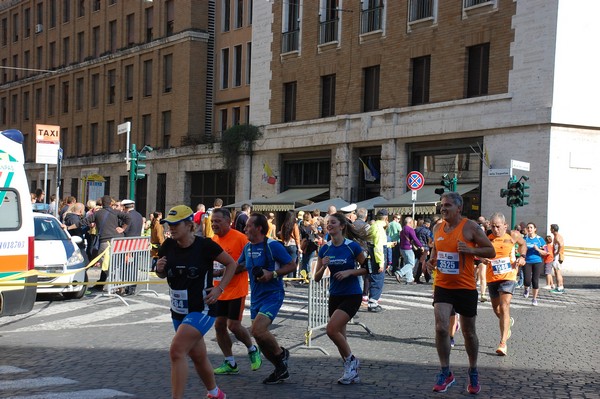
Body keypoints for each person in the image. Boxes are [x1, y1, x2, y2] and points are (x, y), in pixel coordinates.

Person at [155, 205, 236, 399]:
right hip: (178, 310)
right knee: (198, 357)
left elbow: (231, 264)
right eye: (169, 224)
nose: (171, 228)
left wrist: (219, 288)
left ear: (190, 225)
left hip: (202, 308)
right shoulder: (167, 246)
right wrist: (159, 269)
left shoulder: (205, 246)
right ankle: (215, 393)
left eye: (176, 224)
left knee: (177, 351)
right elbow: (162, 274)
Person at [425, 192, 495, 394]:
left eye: (447, 205)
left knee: (468, 332)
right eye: (441, 206)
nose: (443, 209)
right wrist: (431, 261)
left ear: (459, 209)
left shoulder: (470, 227)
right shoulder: (438, 227)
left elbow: (490, 251)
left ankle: (473, 370)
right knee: (440, 327)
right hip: (443, 285)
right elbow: (437, 251)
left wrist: (471, 251)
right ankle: (446, 371)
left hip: (465, 287)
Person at [238, 213, 297, 384]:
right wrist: (218, 272)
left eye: (248, 226)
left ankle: (281, 354)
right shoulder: (248, 247)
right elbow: (239, 266)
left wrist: (272, 274)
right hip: (256, 298)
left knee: (258, 330)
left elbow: (292, 265)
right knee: (259, 337)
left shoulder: (272, 246)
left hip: (273, 295)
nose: (245, 228)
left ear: (259, 228)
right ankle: (280, 368)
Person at [314, 212, 368, 384]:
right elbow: (316, 277)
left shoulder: (352, 247)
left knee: (331, 330)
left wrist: (349, 272)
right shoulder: (325, 248)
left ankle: (352, 360)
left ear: (342, 226)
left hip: (352, 294)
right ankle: (351, 371)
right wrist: (323, 267)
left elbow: (368, 268)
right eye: (327, 223)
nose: (329, 225)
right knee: (340, 337)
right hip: (335, 295)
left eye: (333, 222)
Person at [209, 208, 262, 375]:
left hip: (236, 289)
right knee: (219, 325)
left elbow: (249, 262)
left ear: (228, 222)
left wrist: (225, 271)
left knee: (233, 325)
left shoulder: (240, 238)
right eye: (212, 221)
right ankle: (230, 362)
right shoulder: (212, 240)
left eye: (218, 221)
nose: (214, 224)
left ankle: (252, 349)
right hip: (219, 290)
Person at [480, 212, 526, 356]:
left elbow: (523, 244)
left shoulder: (513, 235)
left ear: (505, 225)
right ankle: (507, 324)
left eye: (498, 226)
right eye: (492, 226)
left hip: (509, 275)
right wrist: (482, 259)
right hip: (492, 277)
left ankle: (502, 343)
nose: (495, 229)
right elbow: (479, 252)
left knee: (505, 306)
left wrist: (522, 257)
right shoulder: (487, 237)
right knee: (497, 309)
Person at [82, 195, 131, 290]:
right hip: (117, 241)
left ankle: (116, 284)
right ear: (111, 203)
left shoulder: (99, 213)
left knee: (106, 263)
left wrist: (69, 227)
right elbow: (128, 218)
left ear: (102, 203)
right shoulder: (115, 212)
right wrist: (123, 229)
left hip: (105, 241)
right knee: (114, 263)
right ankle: (115, 284)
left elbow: (84, 222)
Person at [366, 209, 388, 312]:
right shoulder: (380, 228)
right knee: (378, 278)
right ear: (386, 218)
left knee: (374, 276)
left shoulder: (373, 226)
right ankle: (373, 302)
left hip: (372, 252)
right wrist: (381, 263)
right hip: (378, 254)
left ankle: (372, 301)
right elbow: (378, 246)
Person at [121, 199, 144, 295]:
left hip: (128, 243)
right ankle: (132, 287)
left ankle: (127, 286)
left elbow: (126, 230)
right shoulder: (139, 215)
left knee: (127, 266)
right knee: (134, 265)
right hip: (137, 243)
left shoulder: (127, 216)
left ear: (125, 207)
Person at [522, 222, 547, 306]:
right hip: (527, 261)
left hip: (537, 261)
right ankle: (526, 289)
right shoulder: (524, 239)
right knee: (527, 280)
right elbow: (519, 249)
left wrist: (538, 250)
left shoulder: (540, 239)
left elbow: (546, 252)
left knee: (535, 281)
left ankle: (534, 299)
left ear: (535, 229)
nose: (529, 229)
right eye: (528, 227)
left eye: (531, 227)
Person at [395, 216, 423, 285]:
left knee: (408, 263)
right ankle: (399, 273)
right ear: (410, 222)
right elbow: (415, 239)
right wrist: (421, 246)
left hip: (402, 248)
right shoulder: (410, 229)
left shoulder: (402, 230)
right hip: (408, 248)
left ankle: (409, 279)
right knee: (411, 264)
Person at [279, 210, 302, 278]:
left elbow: (281, 235)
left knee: (285, 263)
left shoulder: (284, 225)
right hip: (293, 245)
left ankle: (283, 278)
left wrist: (284, 241)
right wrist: (299, 248)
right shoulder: (294, 225)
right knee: (292, 264)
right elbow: (297, 237)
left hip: (285, 244)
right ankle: (290, 278)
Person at [414, 218, 433, 283]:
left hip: (417, 248)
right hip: (425, 249)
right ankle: (422, 278)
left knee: (420, 262)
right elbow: (429, 240)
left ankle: (424, 277)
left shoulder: (417, 229)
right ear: (428, 224)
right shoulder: (427, 231)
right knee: (422, 263)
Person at [550, 224, 565, 293]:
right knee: (558, 271)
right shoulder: (556, 236)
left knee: (557, 272)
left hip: (557, 256)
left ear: (553, 229)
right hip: (558, 256)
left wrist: (557, 252)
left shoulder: (557, 237)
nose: (550, 229)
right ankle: (560, 287)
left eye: (551, 228)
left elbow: (561, 245)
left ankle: (559, 287)